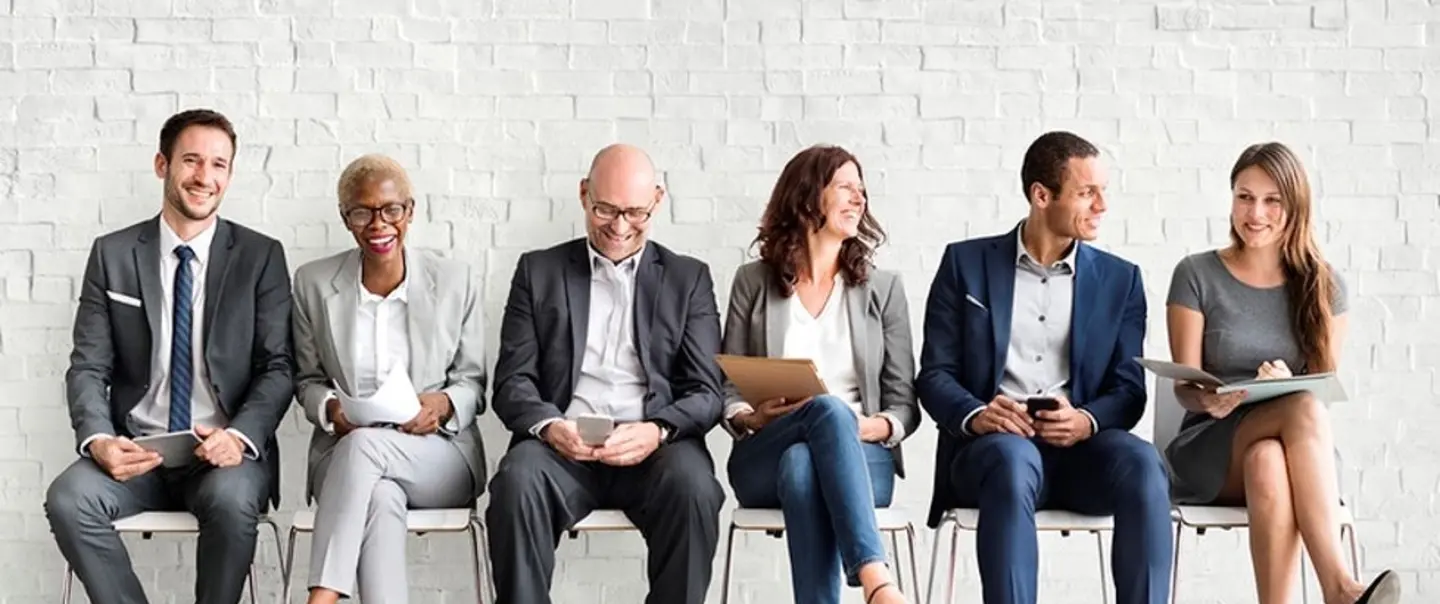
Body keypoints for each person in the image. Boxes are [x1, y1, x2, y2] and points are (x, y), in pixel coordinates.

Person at [43, 109, 294, 604]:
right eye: (192, 161)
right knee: (69, 499)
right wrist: (98, 440)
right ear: (162, 164)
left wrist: (239, 437)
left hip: (222, 457)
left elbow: (278, 367)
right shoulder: (113, 254)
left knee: (232, 501)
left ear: (230, 174)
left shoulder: (260, 256)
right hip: (139, 452)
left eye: (219, 165)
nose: (205, 177)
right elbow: (89, 366)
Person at [916, 131, 1172, 604]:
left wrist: (1086, 420)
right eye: (1086, 192)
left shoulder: (1122, 280)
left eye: (1103, 191)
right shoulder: (964, 263)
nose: (1102, 205)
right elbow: (934, 375)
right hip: (992, 453)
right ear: (1041, 195)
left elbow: (1129, 389)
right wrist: (977, 414)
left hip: (1082, 455)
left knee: (1143, 463)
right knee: (1012, 461)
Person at [485, 143, 727, 604]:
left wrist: (657, 430)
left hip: (655, 448)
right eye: (605, 209)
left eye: (635, 212)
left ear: (658, 199)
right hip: (561, 447)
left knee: (696, 489)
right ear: (583, 195)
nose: (619, 226)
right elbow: (513, 381)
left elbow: (706, 390)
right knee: (516, 483)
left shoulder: (688, 278)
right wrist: (551, 426)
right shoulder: (539, 271)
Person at [1163, 142, 1400, 604]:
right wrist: (1209, 398)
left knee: (1269, 459)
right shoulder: (1195, 274)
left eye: (1272, 201)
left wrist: (1286, 379)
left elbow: (1322, 387)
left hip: (1290, 451)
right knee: (1300, 411)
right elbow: (1184, 387)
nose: (1255, 213)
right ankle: (1340, 588)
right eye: (1244, 197)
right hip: (1210, 448)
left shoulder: (1325, 286)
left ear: (1296, 206)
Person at [720, 145, 918, 604]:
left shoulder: (882, 289)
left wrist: (871, 426)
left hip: (863, 454)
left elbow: (903, 400)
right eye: (846, 187)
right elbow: (727, 386)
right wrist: (751, 417)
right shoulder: (753, 282)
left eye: (862, 191)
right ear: (809, 196)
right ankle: (876, 580)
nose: (859, 200)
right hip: (765, 450)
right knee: (819, 418)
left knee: (804, 463)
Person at [291, 154, 488, 604]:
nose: (378, 224)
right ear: (346, 219)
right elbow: (306, 380)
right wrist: (330, 409)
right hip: (344, 458)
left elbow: (474, 382)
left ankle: (322, 597)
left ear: (410, 211)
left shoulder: (455, 280)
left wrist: (439, 406)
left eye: (391, 209)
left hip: (437, 456)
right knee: (379, 496)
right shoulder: (314, 283)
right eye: (362, 212)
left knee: (366, 448)